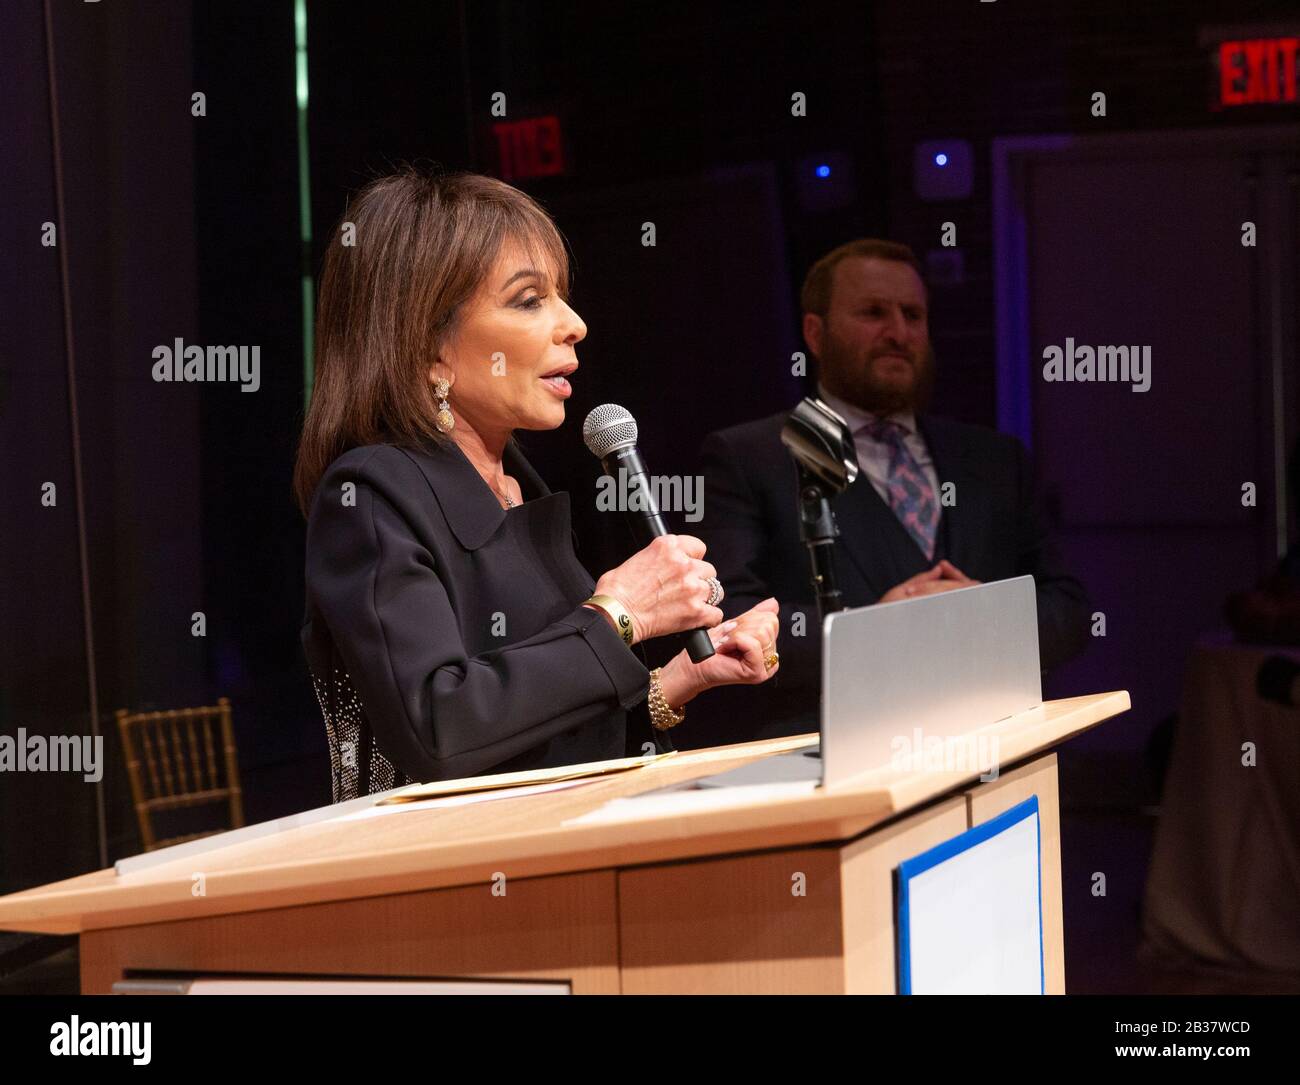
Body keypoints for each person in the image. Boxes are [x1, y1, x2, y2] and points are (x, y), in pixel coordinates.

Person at [293, 167, 781, 800]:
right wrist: (620, 613)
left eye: (561, 296)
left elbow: (531, 741)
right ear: (429, 346)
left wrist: (680, 681)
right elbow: (440, 729)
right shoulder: (370, 493)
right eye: (529, 300)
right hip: (439, 883)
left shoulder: (518, 487)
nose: (574, 323)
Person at [686, 238, 1089, 745]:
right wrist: (875, 630)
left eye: (913, 315)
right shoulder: (751, 456)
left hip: (999, 744)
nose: (898, 332)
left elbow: (1069, 608)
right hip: (837, 750)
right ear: (816, 332)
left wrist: (988, 615)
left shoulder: (995, 459)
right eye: (874, 313)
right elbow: (730, 622)